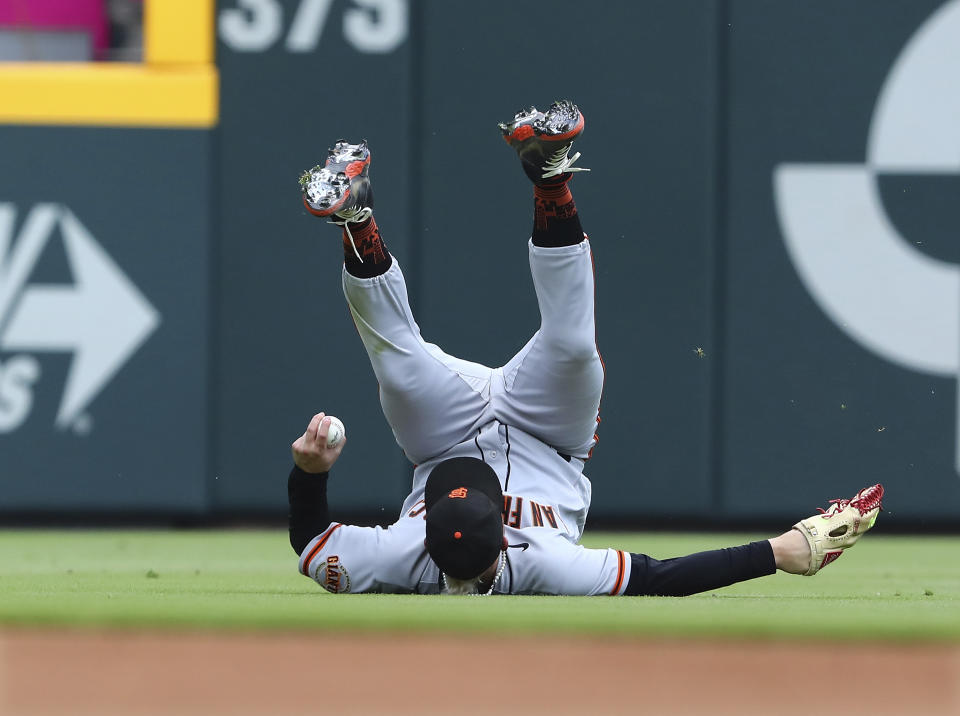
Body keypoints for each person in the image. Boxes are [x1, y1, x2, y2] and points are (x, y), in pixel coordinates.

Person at [289, 100, 883, 596]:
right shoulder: (543, 562)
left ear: (424, 535)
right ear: (502, 533)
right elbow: (660, 578)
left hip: (440, 441)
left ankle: (356, 217)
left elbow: (312, 545)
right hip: (549, 437)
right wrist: (784, 552)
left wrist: (308, 474)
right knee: (572, 346)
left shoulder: (399, 558)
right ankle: (549, 180)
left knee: (399, 362)